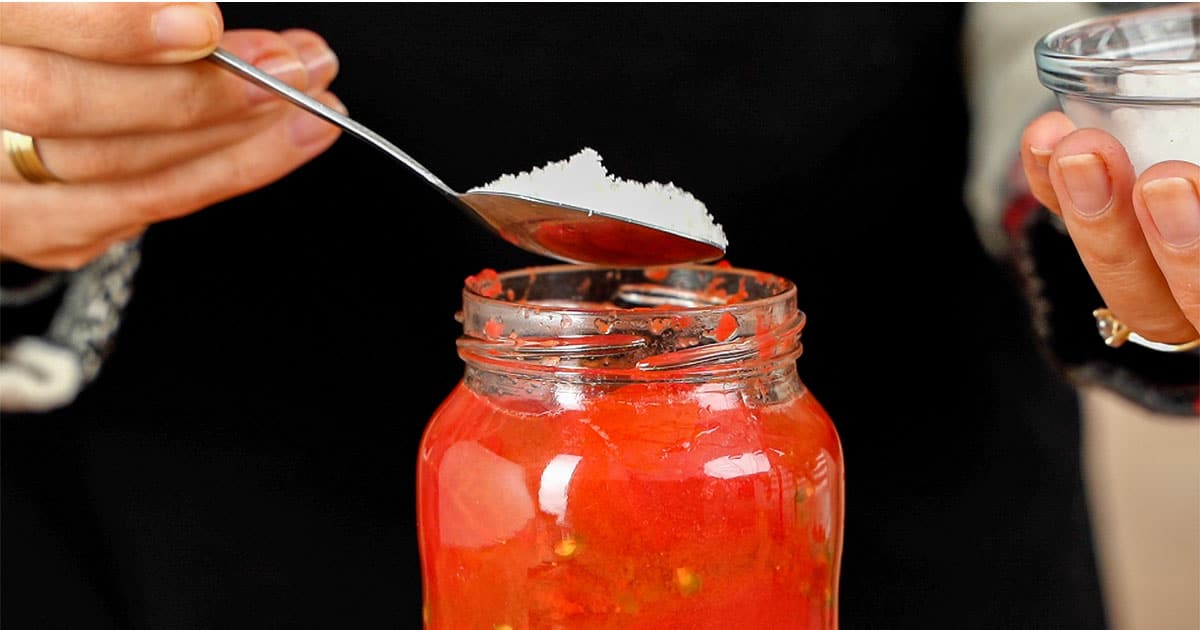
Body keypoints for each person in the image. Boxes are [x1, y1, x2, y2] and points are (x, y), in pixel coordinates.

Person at [1, 3, 1195, 628]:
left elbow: (1105, 22)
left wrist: (1132, 160)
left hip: (928, 460)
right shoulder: (475, 435)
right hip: (157, 515)